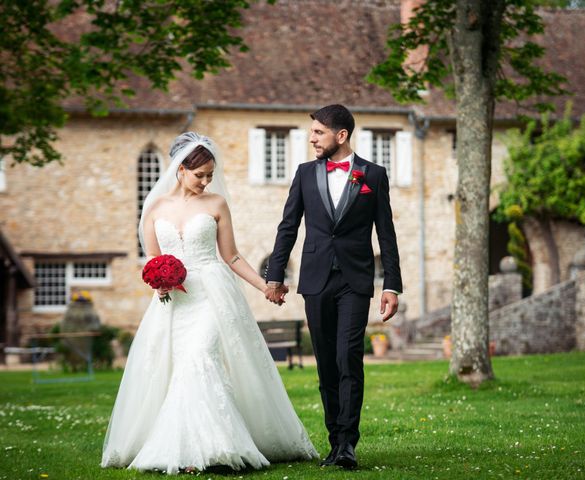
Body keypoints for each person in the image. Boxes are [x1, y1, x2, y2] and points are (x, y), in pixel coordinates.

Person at [101, 132, 317, 475]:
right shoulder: (155, 208)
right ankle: (185, 447)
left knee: (201, 358)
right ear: (180, 169)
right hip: (175, 299)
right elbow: (153, 260)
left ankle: (219, 447)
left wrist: (265, 286)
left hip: (213, 295)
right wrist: (159, 283)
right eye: (199, 175)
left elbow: (231, 256)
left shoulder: (216, 205)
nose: (205, 182)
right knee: (176, 366)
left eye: (210, 176)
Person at [265, 104, 403, 470]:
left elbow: (385, 232)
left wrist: (392, 285)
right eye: (311, 132)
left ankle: (347, 445)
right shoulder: (305, 174)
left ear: (340, 136)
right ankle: (332, 440)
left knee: (348, 358)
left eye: (317, 133)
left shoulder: (374, 174)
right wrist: (275, 274)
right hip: (315, 278)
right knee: (326, 363)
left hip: (356, 280)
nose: (311, 139)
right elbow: (288, 226)